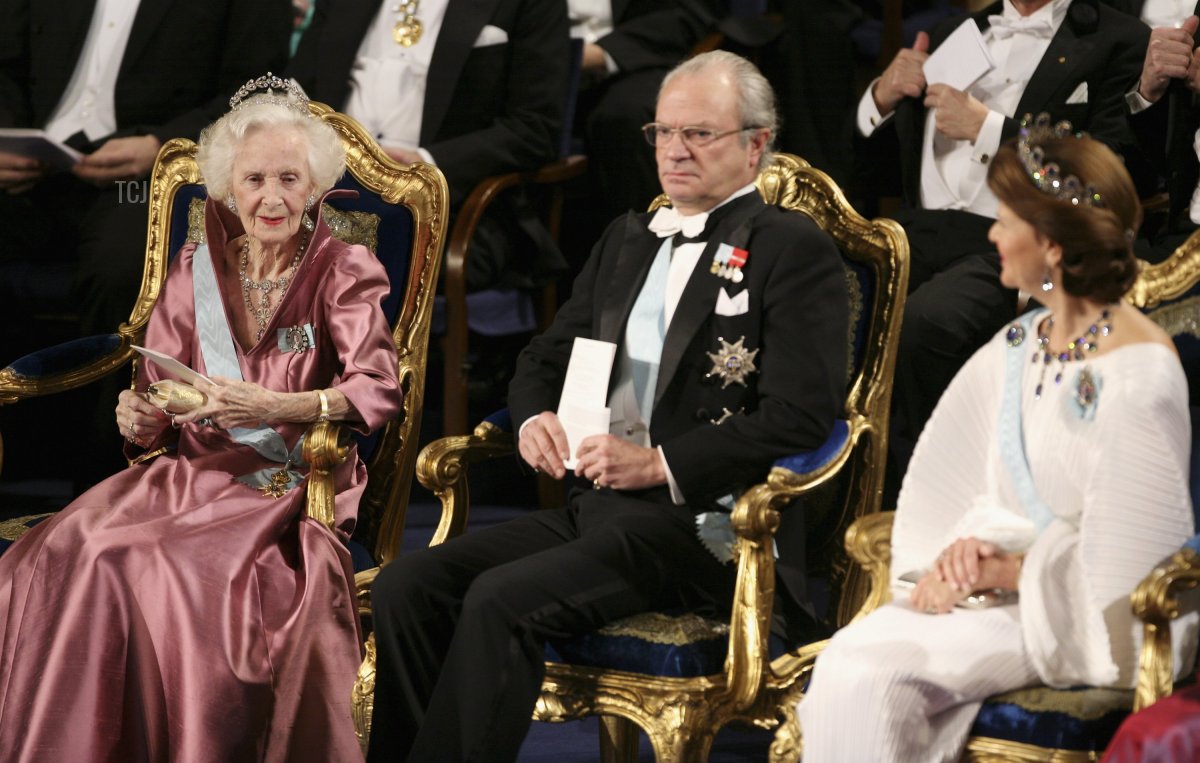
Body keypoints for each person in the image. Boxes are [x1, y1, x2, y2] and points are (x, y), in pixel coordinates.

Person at [365, 50, 850, 762]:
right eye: (662, 131)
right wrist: (534, 419)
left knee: (501, 599)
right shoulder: (629, 239)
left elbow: (802, 418)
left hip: (707, 530)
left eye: (700, 134)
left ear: (756, 144)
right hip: (594, 511)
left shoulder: (791, 249)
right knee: (411, 583)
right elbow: (543, 358)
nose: (674, 150)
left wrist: (659, 463)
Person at [0, 78, 403, 761]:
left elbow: (377, 387)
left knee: (162, 568)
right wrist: (140, 411)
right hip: (190, 476)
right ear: (226, 185)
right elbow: (161, 392)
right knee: (68, 552)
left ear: (316, 184)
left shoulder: (343, 268)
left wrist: (279, 406)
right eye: (253, 179)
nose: (271, 197)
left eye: (288, 177)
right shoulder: (195, 268)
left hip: (283, 491)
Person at [797, 118, 1196, 761]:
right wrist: (955, 557)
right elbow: (950, 481)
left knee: (872, 675)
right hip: (987, 593)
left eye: (1005, 221)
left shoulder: (1139, 369)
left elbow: (1132, 563)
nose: (991, 235)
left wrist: (1016, 571)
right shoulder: (1017, 344)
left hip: (1069, 612)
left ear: (1054, 246)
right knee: (847, 658)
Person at [856, 0, 1150, 506]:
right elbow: (870, 172)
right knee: (820, 296)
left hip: (1009, 241)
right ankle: (831, 508)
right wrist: (881, 98)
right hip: (913, 232)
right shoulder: (952, 31)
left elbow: (1111, 173)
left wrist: (989, 129)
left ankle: (945, 497)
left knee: (931, 320)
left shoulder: (1119, 39)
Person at [0, 0, 293, 486]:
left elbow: (261, 90)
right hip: (36, 173)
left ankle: (104, 473)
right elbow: (6, 66)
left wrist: (165, 144)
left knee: (124, 263)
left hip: (154, 178)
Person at [286, 0, 569, 292]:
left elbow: (536, 128)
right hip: (323, 188)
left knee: (330, 256)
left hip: (449, 210)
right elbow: (297, 92)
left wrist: (424, 165)